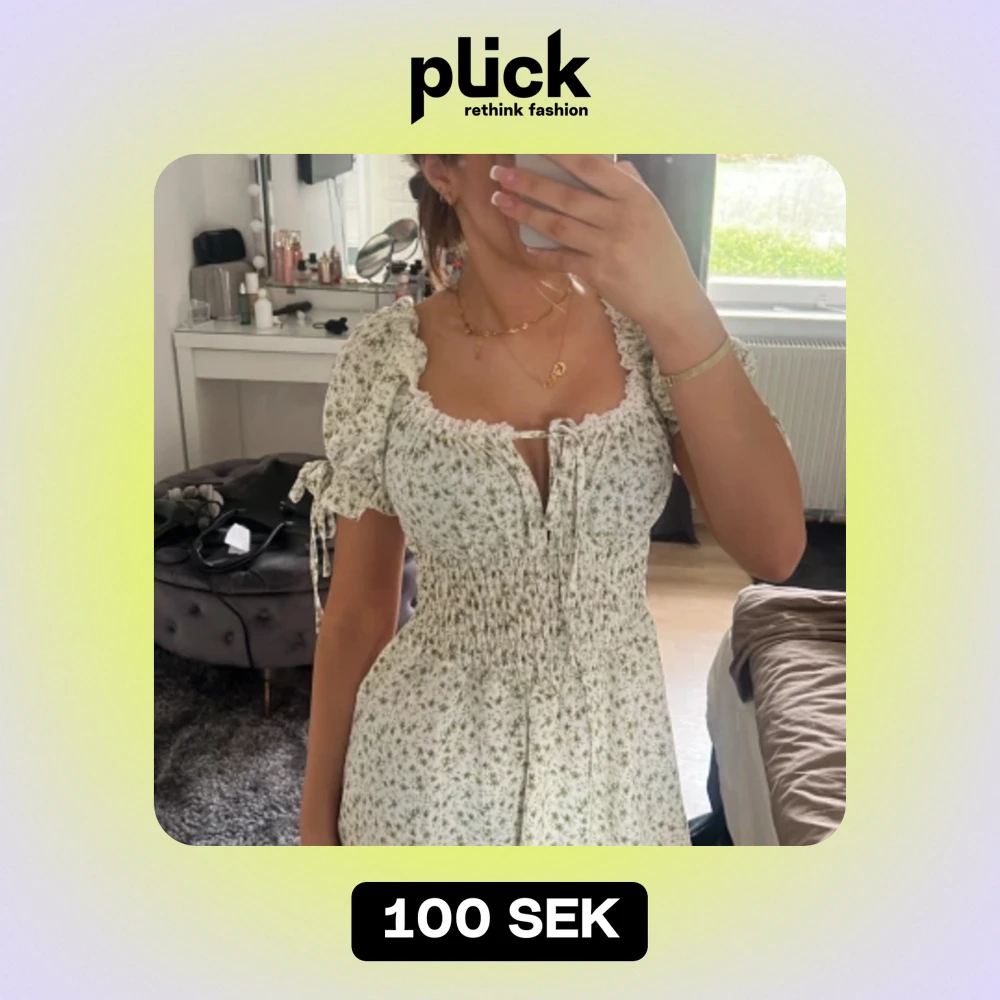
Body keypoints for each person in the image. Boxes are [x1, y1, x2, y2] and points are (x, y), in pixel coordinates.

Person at [292, 154, 805, 846]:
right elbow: (356, 613)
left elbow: (775, 550)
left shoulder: (649, 335)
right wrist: (315, 826)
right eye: (530, 141)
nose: (565, 167)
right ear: (443, 169)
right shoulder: (386, 361)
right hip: (424, 776)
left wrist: (679, 301)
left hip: (616, 770)